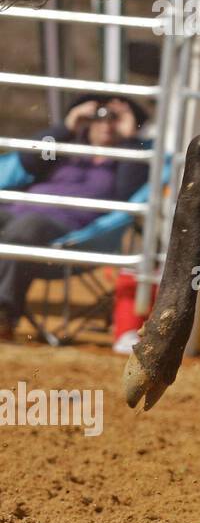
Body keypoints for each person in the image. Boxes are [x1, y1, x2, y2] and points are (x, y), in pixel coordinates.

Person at [0, 96, 149, 340]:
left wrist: (130, 138)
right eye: (99, 116)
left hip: (67, 228)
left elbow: (127, 193)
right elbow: (28, 159)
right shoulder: (66, 146)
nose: (106, 124)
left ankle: (3, 312)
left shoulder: (134, 159)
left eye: (116, 118)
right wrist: (67, 126)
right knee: (20, 224)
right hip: (15, 212)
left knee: (27, 226)